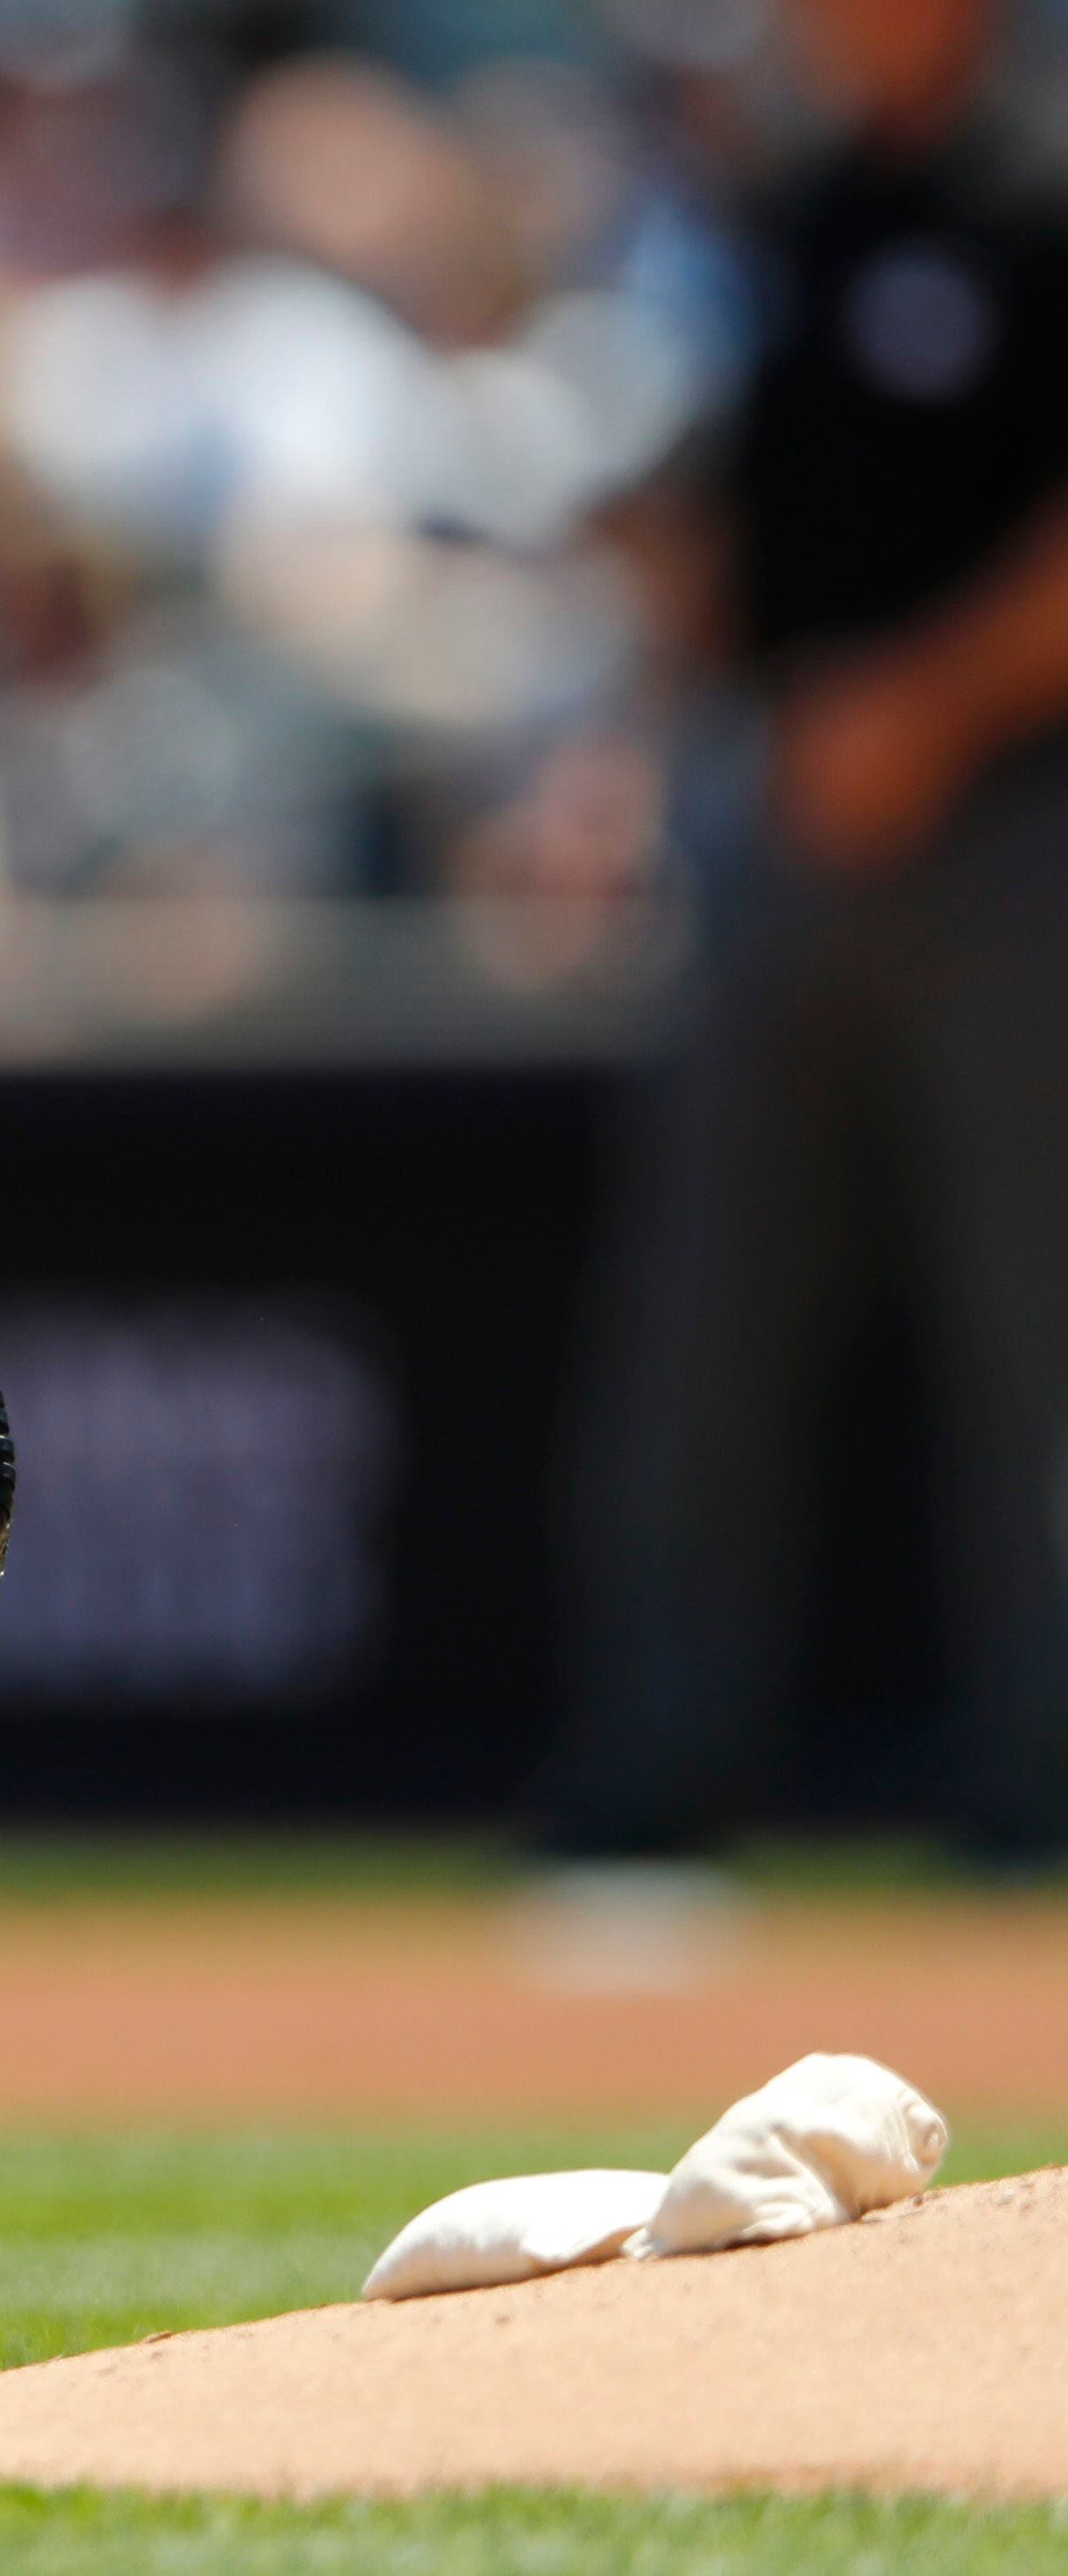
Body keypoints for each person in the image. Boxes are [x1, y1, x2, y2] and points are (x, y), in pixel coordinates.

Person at [547, 0, 1068, 1868]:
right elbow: (741, 527)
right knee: (707, 1319)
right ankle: (656, 1779)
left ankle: (1041, 1784)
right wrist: (629, 743)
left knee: (1037, 1321)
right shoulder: (805, 201)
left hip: (1017, 829)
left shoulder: (1041, 183)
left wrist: (920, 709)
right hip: (783, 812)